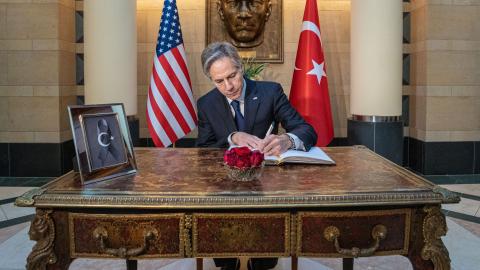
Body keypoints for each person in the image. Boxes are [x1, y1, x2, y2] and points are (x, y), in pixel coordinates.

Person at [196, 42, 317, 270]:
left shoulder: (270, 92)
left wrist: (287, 139)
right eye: (219, 81)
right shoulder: (206, 104)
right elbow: (203, 150)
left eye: (232, 76)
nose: (228, 86)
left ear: (241, 68)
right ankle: (227, 262)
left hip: (266, 184)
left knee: (265, 250)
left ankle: (263, 260)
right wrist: (233, 137)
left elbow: (307, 131)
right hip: (225, 186)